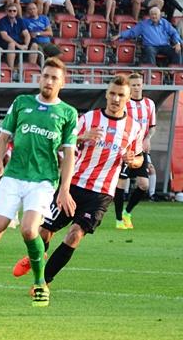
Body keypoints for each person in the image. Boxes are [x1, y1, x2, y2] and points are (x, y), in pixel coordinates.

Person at [0, 57, 78, 308]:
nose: (48, 81)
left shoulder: (68, 113)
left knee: (29, 229)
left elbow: (69, 154)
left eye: (54, 77)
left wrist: (64, 189)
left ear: (62, 82)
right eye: (45, 76)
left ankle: (40, 283)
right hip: (13, 176)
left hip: (43, 181)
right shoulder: (21, 103)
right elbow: (2, 138)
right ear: (39, 78)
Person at [11, 75, 144, 286]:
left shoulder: (134, 128)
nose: (116, 99)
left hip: (101, 193)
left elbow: (139, 158)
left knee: (75, 234)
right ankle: (36, 255)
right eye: (112, 94)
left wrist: (133, 160)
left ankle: (43, 282)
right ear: (106, 94)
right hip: (72, 185)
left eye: (121, 95)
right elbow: (62, 145)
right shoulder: (88, 119)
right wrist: (82, 138)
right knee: (43, 232)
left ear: (128, 99)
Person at [113, 72, 157, 230]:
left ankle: (127, 212)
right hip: (126, 149)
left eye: (139, 85)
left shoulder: (149, 104)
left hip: (140, 150)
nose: (137, 88)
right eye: (133, 85)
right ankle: (118, 219)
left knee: (144, 184)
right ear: (129, 88)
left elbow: (152, 127)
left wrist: (148, 138)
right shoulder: (124, 104)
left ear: (142, 85)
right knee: (120, 184)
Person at [112, 7, 183, 65]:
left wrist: (177, 43)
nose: (154, 16)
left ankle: (175, 73)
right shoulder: (143, 24)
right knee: (149, 51)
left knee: (177, 51)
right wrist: (120, 35)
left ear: (160, 15)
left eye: (155, 14)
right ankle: (153, 73)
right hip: (151, 46)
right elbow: (132, 32)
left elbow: (174, 33)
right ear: (150, 15)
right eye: (152, 14)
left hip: (165, 46)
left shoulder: (165, 22)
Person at [0, 3, 31, 71]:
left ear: (17, 12)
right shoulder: (2, 21)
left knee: (34, 45)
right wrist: (19, 45)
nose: (12, 12)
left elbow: (27, 34)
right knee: (11, 44)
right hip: (3, 42)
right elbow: (4, 36)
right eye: (10, 11)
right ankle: (11, 69)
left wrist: (26, 45)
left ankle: (31, 70)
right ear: (6, 12)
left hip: (17, 42)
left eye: (14, 11)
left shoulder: (20, 20)